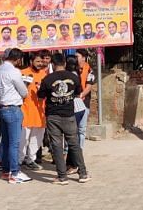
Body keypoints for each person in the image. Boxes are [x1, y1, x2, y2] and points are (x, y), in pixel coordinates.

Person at [38, 53, 91, 185]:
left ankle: (62, 177)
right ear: (64, 63)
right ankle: (83, 173)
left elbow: (40, 96)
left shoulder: (48, 79)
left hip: (53, 116)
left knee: (57, 145)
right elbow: (78, 93)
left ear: (53, 64)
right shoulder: (73, 77)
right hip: (69, 114)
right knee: (74, 144)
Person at [0, 48, 31, 184]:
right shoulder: (14, 71)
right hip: (13, 108)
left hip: (2, 107)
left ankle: (6, 171)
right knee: (14, 143)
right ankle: (15, 172)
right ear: (18, 59)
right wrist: (26, 86)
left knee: (6, 142)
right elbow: (24, 92)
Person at [19, 51, 48, 170]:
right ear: (31, 61)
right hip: (26, 110)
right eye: (37, 61)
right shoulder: (23, 73)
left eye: (41, 61)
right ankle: (19, 161)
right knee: (23, 138)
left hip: (40, 111)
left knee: (37, 138)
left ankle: (31, 159)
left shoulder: (45, 75)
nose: (40, 63)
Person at [75, 49, 95, 148]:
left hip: (84, 102)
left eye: (77, 57)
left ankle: (80, 151)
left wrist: (81, 96)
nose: (75, 59)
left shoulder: (90, 70)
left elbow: (89, 86)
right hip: (72, 103)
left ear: (83, 58)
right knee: (71, 129)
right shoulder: (71, 68)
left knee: (81, 129)